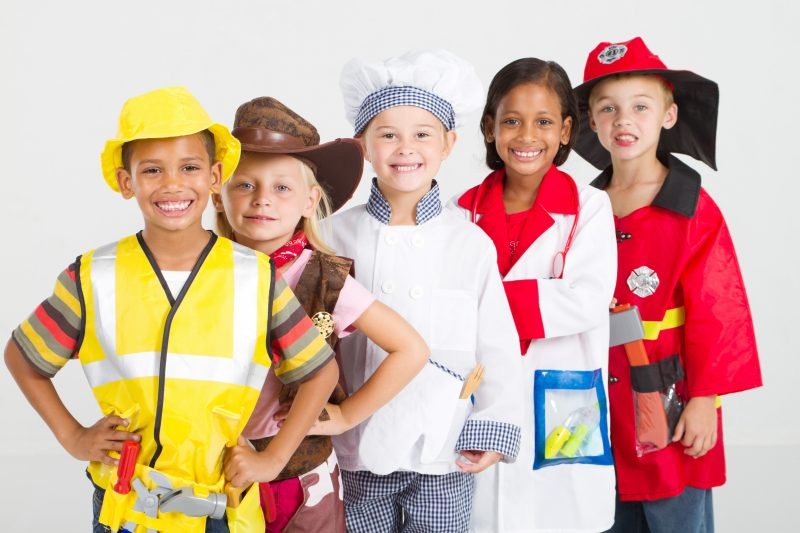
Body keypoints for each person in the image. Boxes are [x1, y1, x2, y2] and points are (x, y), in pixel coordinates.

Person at [4, 86, 339, 533]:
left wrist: (273, 458)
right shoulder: (92, 277)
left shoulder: (255, 277)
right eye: (152, 170)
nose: (173, 184)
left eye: (189, 167)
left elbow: (320, 371)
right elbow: (23, 358)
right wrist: (72, 436)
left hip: (221, 509)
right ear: (127, 182)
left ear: (214, 176)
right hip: (125, 510)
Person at [324, 49, 524, 533]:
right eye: (387, 134)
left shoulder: (469, 242)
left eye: (422, 135)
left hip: (441, 443)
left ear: (448, 143)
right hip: (356, 444)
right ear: (364, 145)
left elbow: (496, 345)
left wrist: (492, 428)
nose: (404, 148)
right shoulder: (333, 235)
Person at [212, 96, 429, 532]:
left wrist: (347, 416)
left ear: (310, 201)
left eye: (282, 188)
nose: (261, 200)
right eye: (245, 185)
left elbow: (411, 349)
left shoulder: (322, 279)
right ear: (219, 196)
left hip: (298, 474)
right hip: (215, 463)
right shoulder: (204, 272)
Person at [573, 37, 763, 533]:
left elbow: (720, 313)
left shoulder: (693, 209)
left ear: (669, 115)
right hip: (598, 402)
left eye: (640, 106)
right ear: (591, 121)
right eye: (608, 109)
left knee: (677, 515)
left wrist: (705, 402)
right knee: (602, 515)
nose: (624, 120)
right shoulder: (579, 209)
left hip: (671, 399)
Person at [452, 57, 617, 532]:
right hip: (480, 398)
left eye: (544, 122)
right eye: (511, 121)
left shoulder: (589, 207)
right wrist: (533, 298)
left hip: (563, 402)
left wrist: (488, 306)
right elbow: (449, 309)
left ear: (566, 130)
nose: (527, 136)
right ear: (489, 128)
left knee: (559, 516)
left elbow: (584, 301)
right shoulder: (460, 212)